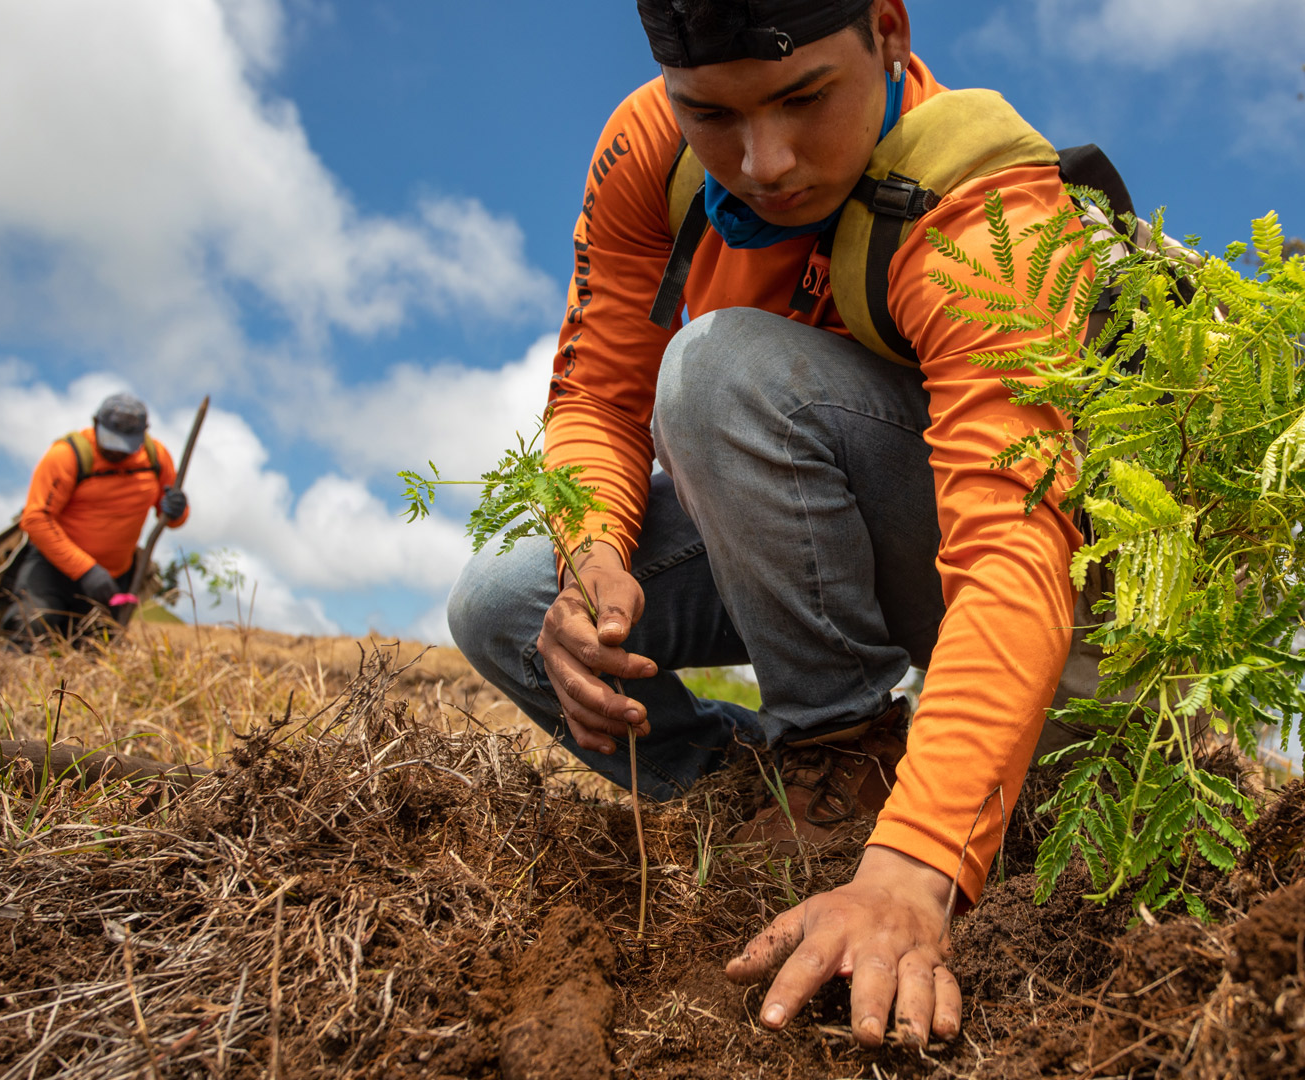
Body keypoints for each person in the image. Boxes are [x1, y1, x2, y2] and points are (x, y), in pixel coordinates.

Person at [448, 0, 1105, 1048]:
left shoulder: (984, 201)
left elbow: (1016, 542)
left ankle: (868, 769)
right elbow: (593, 402)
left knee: (716, 373)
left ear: (887, 34)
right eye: (716, 116)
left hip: (1019, 588)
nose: (765, 161)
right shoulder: (647, 154)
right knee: (502, 605)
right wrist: (592, 555)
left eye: (805, 99)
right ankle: (778, 789)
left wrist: (915, 871)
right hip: (786, 526)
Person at [5, 393, 189, 646]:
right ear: (95, 423)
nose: (116, 451)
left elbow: (171, 518)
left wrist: (178, 511)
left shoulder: (156, 458)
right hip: (53, 569)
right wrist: (86, 569)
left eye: (125, 444)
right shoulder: (66, 455)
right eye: (111, 441)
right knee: (33, 628)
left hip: (114, 579)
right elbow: (36, 519)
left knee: (96, 649)